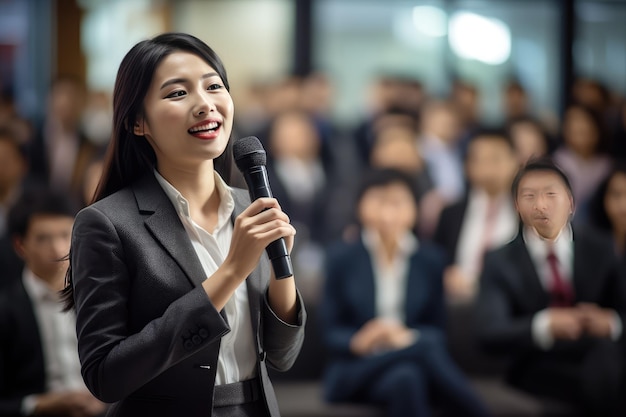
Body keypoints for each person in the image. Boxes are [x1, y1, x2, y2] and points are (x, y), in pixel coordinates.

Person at [62, 33, 306, 417]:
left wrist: (281, 271)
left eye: (214, 86)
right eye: (178, 93)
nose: (205, 104)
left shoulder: (250, 210)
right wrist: (231, 271)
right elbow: (105, 376)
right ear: (138, 123)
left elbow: (282, 356)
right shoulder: (105, 224)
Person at [320, 168, 491, 417]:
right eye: (378, 201)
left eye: (398, 202)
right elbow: (330, 330)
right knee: (426, 346)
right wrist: (361, 339)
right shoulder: (341, 258)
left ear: (414, 209)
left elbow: (438, 328)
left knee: (408, 378)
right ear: (360, 206)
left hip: (408, 365)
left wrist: (402, 337)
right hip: (357, 366)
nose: (388, 212)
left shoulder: (430, 259)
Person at [476, 159, 626, 416]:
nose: (541, 205)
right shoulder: (499, 260)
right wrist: (544, 324)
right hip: (537, 361)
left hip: (597, 353)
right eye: (529, 196)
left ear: (571, 202)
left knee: (603, 360)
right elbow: (489, 332)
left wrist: (611, 323)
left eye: (550, 194)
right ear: (516, 206)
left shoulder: (600, 248)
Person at [0, 188, 106, 417]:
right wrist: (41, 405)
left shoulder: (101, 296)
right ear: (20, 245)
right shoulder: (6, 310)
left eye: (65, 235)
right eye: (43, 238)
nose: (58, 249)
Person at [434, 129, 519, 303]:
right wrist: (447, 275)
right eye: (479, 159)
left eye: (495, 158)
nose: (487, 167)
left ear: (515, 162)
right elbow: (437, 260)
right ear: (467, 166)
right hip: (459, 303)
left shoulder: (525, 213)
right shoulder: (451, 214)